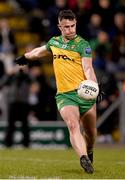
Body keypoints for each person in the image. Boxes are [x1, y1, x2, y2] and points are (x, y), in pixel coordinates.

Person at [15, 9, 102, 173]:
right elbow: (39, 51)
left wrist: (94, 86)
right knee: (73, 125)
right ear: (59, 27)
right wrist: (25, 57)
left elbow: (88, 68)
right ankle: (83, 158)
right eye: (66, 27)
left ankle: (89, 150)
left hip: (84, 94)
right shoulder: (54, 42)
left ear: (76, 23)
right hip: (65, 96)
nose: (70, 30)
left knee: (91, 133)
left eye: (73, 25)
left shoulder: (83, 45)